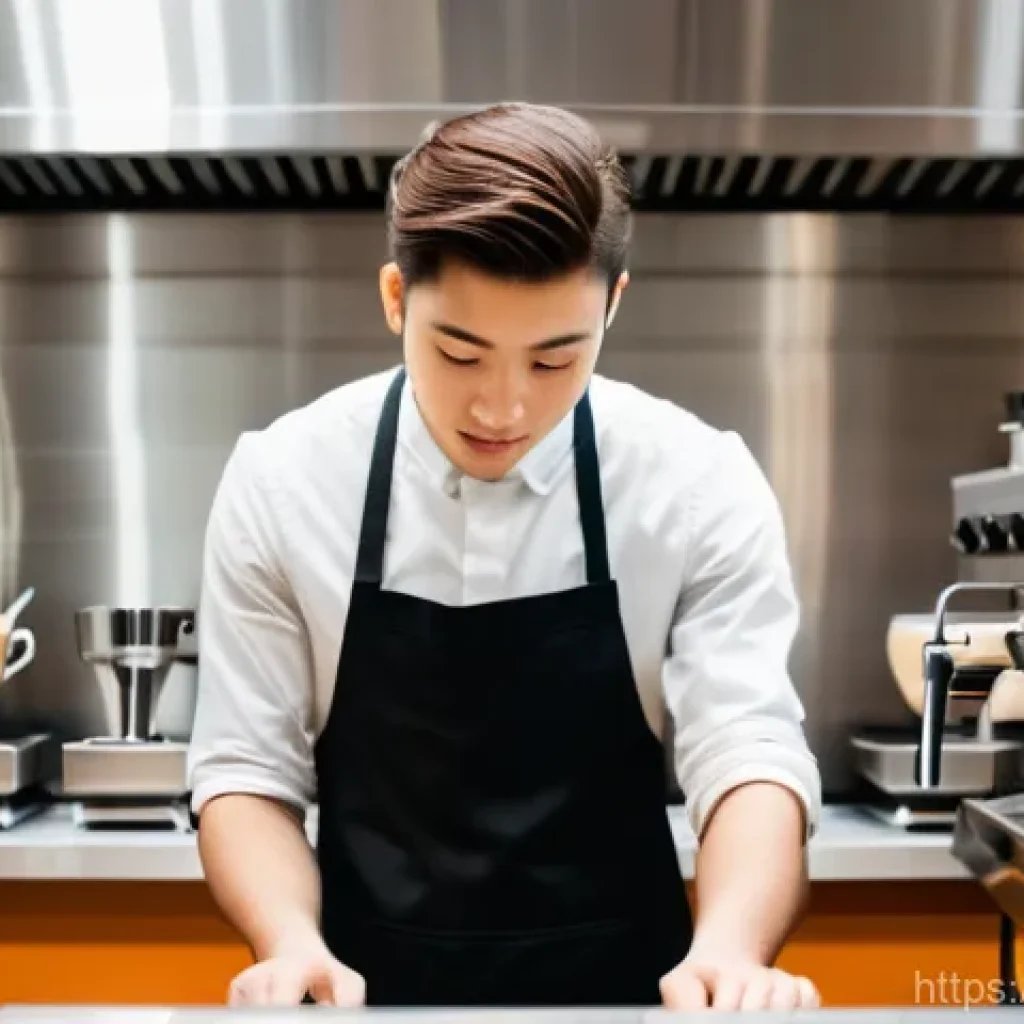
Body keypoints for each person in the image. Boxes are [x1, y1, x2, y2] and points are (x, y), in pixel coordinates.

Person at [188, 102, 823, 1011]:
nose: (503, 409)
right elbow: (247, 770)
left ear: (614, 303)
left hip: (634, 998)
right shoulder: (285, 481)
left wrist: (732, 948)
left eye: (555, 361)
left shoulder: (695, 482)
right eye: (459, 352)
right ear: (395, 299)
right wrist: (288, 944)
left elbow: (749, 749)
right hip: (362, 999)